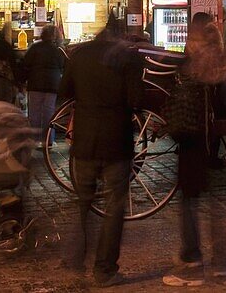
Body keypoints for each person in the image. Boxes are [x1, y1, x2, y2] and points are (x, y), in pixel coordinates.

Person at [57, 15, 140, 286]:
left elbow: (65, 92)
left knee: (82, 202)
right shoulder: (129, 59)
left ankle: (74, 260)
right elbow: (136, 100)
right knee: (115, 206)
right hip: (116, 139)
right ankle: (104, 269)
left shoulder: (79, 56)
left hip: (85, 140)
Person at [163, 12, 226, 287]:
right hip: (213, 144)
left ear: (194, 39)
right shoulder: (220, 62)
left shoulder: (191, 67)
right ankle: (221, 262)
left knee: (189, 204)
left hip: (193, 142)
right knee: (215, 206)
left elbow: (179, 104)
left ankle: (191, 264)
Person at [21, 25, 66, 146]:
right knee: (49, 113)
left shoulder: (35, 47)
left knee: (34, 114)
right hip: (53, 84)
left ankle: (34, 140)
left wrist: (21, 81)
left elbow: (25, 65)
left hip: (35, 83)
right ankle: (48, 141)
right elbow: (64, 66)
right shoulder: (59, 49)